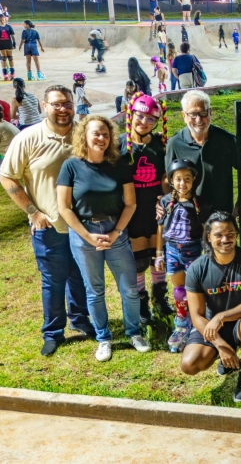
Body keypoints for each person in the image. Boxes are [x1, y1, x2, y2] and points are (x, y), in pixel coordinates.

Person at [0, 85, 96, 356]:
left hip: (84, 224)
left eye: (67, 103)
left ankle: (80, 320)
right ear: (44, 106)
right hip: (50, 225)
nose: (63, 109)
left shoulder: (85, 135)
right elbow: (7, 176)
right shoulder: (28, 137)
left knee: (81, 277)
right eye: (56, 104)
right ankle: (53, 332)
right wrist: (33, 211)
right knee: (53, 280)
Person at [56, 115, 151, 362]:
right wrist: (88, 236)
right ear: (84, 136)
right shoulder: (71, 166)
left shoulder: (118, 164)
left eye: (106, 134)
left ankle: (134, 333)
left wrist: (115, 232)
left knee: (129, 288)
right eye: (96, 133)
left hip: (115, 231)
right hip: (83, 234)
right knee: (94, 291)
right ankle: (103, 339)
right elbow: (64, 208)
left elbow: (130, 203)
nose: (102, 138)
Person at [180, 211, 241, 403]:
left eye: (230, 233)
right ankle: (228, 355)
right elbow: (196, 315)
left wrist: (221, 317)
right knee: (190, 364)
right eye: (218, 235)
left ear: (236, 234)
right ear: (209, 237)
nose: (225, 239)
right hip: (212, 327)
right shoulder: (197, 268)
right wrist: (220, 345)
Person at [120, 93, 171, 331]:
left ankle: (160, 298)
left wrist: (166, 197)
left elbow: (165, 177)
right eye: (140, 117)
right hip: (132, 211)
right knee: (138, 261)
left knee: (158, 256)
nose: (144, 122)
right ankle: (143, 305)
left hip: (156, 209)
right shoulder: (120, 144)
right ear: (131, 115)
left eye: (151, 119)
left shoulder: (160, 144)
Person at [165, 91, 241, 221]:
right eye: (193, 114)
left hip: (221, 218)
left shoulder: (227, 140)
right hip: (188, 218)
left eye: (203, 113)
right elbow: (167, 179)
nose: (199, 119)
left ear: (210, 112)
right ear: (184, 116)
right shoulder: (174, 143)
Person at [154, 159, 201, 353]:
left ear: (193, 180)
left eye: (187, 179)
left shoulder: (198, 201)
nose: (183, 183)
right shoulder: (166, 201)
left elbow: (205, 227)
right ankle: (182, 323)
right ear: (171, 180)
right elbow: (160, 228)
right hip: (173, 250)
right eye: (179, 179)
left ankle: (197, 322)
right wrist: (159, 253)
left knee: (195, 288)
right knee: (179, 289)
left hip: (194, 250)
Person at [0, 14, 16, 81]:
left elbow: (12, 35)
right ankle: (5, 75)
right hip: (1, 44)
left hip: (8, 44)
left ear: (5, 19)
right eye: (1, 20)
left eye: (3, 20)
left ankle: (12, 74)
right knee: (3, 58)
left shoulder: (8, 26)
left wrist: (14, 42)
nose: (2, 21)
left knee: (10, 58)